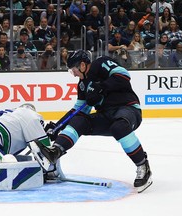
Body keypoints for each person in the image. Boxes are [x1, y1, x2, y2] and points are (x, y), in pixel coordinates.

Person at [30, 50, 153, 193]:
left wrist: (102, 87)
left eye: (74, 70)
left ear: (82, 65)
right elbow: (79, 110)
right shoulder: (83, 85)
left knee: (119, 127)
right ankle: (55, 151)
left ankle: (143, 165)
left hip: (128, 109)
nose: (74, 74)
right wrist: (58, 126)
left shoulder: (100, 64)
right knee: (78, 121)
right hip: (106, 116)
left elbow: (124, 75)